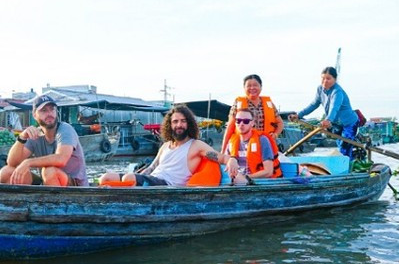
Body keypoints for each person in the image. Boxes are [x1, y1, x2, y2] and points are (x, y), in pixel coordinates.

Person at [99, 105, 235, 186]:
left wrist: (232, 160)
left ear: (189, 124)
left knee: (129, 179)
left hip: (166, 186)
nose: (179, 125)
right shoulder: (165, 146)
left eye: (183, 121)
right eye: (175, 122)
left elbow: (223, 158)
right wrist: (135, 174)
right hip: (152, 180)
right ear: (170, 125)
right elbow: (152, 167)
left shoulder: (196, 145)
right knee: (106, 177)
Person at [0, 95, 88, 186]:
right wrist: (22, 137)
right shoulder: (35, 134)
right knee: (6, 172)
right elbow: (12, 163)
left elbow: (61, 159)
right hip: (47, 181)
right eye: (44, 111)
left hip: (74, 184)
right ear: (34, 115)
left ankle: (56, 200)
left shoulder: (65, 129)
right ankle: (22, 199)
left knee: (49, 171)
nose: (49, 114)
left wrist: (28, 162)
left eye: (52, 109)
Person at [288, 66, 359, 159]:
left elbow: (334, 107)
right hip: (336, 124)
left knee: (345, 148)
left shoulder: (337, 91)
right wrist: (299, 115)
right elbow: (313, 104)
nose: (325, 81)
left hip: (349, 123)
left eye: (328, 78)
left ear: (335, 79)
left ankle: (348, 168)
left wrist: (328, 120)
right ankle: (348, 163)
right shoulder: (320, 89)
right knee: (341, 145)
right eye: (323, 78)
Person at [221, 74, 284, 155]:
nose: (252, 88)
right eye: (249, 86)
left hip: (265, 144)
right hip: (243, 147)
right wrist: (223, 150)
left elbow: (280, 123)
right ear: (244, 88)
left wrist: (275, 134)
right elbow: (230, 127)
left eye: (255, 85)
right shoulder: (238, 103)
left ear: (261, 87)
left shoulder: (269, 104)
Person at [224, 108, 281, 185]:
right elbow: (224, 162)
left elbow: (269, 171)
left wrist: (246, 178)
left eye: (246, 121)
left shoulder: (262, 140)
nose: (241, 124)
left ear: (252, 123)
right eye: (238, 121)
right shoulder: (231, 142)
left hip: (258, 184)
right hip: (237, 183)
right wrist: (231, 159)